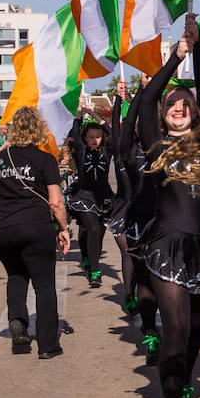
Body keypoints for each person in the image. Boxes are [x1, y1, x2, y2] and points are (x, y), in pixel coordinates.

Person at [135, 14, 200, 398]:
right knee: (174, 325)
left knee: (198, 329)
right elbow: (149, 98)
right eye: (172, 106)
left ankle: (185, 378)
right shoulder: (155, 143)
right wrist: (177, 57)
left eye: (184, 106)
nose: (177, 109)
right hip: (167, 246)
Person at [0, 106, 69, 359]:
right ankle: (47, 345)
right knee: (44, 285)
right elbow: (56, 201)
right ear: (39, 129)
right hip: (33, 225)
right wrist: (63, 228)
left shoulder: (1, 158)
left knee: (16, 274)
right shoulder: (45, 159)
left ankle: (19, 331)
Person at [114, 78, 161, 365]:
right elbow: (126, 125)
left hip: (164, 225)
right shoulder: (128, 152)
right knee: (145, 280)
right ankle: (150, 333)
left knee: (165, 285)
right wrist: (138, 93)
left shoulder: (166, 150)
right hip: (136, 224)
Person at [67, 111, 113, 289]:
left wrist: (94, 114)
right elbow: (75, 132)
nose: (95, 139)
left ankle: (88, 256)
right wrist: (79, 113)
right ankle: (95, 271)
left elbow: (111, 133)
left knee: (99, 232)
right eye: (91, 136)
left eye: (98, 136)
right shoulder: (81, 152)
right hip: (84, 197)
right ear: (85, 138)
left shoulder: (107, 152)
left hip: (104, 198)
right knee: (92, 229)